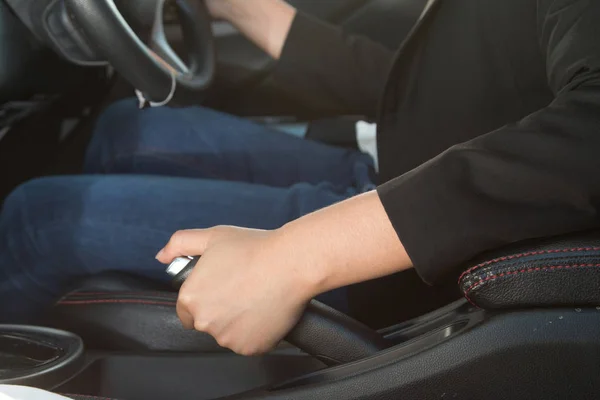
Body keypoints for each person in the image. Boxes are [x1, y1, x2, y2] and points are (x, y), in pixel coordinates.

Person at [2, 0, 600, 355]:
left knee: (39, 220)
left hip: (410, 258)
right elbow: (417, 87)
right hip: (388, 164)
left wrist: (291, 256)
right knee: (121, 130)